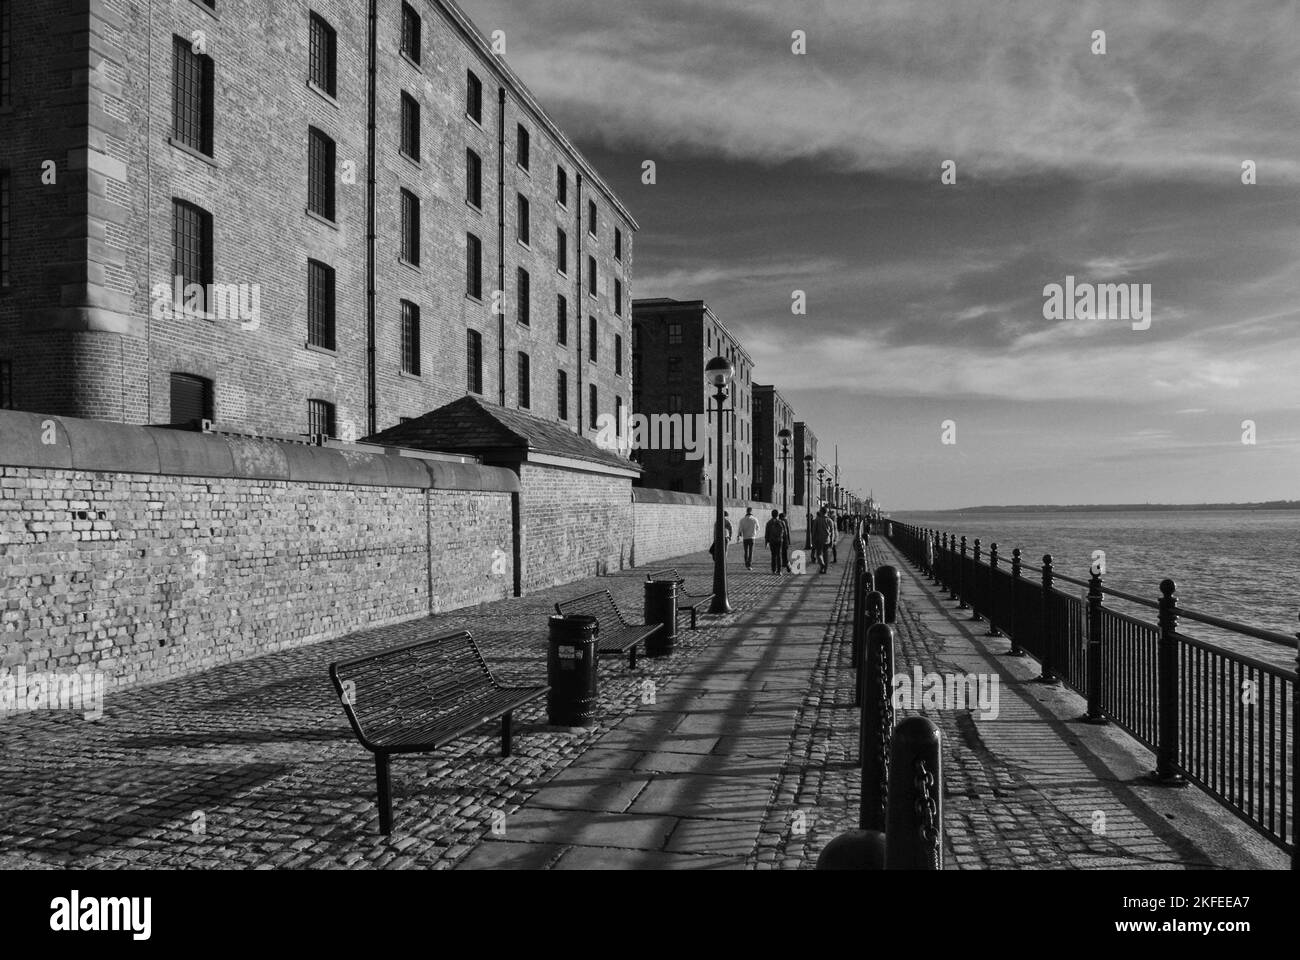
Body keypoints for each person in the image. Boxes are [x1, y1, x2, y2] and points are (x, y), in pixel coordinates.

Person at [813, 506, 836, 574]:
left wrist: (813, 540)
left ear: (821, 512)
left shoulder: (817, 520)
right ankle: (825, 570)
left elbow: (814, 531)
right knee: (826, 555)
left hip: (819, 539)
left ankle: (822, 565)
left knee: (819, 554)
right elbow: (832, 532)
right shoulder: (830, 520)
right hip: (827, 540)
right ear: (826, 512)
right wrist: (832, 541)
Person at [764, 509, 784, 574]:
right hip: (779, 540)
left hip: (772, 541)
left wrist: (766, 541)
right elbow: (784, 532)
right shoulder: (781, 522)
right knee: (779, 555)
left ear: (771, 514)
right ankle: (779, 570)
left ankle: (773, 570)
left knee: (773, 555)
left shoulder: (769, 523)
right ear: (777, 515)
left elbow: (767, 533)